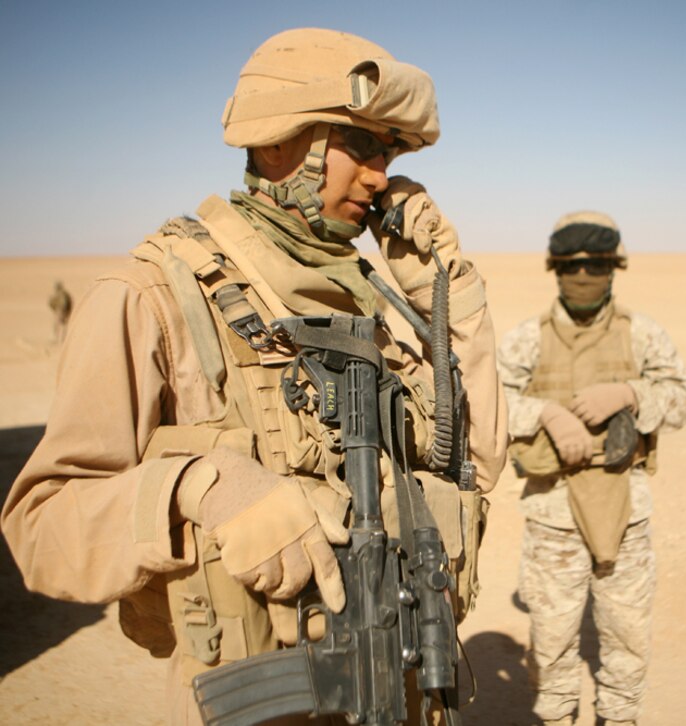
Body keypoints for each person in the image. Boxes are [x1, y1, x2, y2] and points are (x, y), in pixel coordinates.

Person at [2, 28, 507, 723]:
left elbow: (476, 463)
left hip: (405, 692)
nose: (379, 176)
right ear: (278, 141)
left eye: (387, 152)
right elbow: (42, 526)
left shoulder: (376, 304)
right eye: (360, 145)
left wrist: (446, 293)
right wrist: (196, 485)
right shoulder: (153, 296)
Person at [497, 212, 686, 726]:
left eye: (597, 266)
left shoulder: (641, 335)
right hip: (553, 517)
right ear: (555, 269)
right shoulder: (528, 340)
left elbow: (681, 402)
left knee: (627, 637)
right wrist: (547, 413)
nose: (584, 277)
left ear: (615, 267)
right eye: (572, 266)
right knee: (553, 641)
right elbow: (487, 403)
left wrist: (630, 393)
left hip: (625, 512)